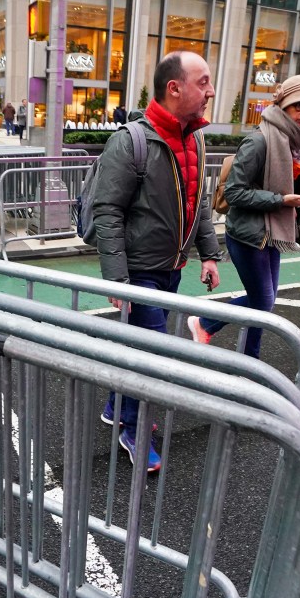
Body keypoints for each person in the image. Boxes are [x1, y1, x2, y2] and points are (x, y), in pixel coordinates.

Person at [90, 50, 222, 472]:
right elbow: (107, 210)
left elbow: (198, 202)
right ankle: (133, 428)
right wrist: (118, 279)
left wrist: (210, 254)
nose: (211, 91)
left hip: (173, 269)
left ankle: (115, 405)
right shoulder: (130, 141)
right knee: (154, 357)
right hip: (139, 272)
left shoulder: (196, 139)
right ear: (174, 88)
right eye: (203, 82)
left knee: (140, 347)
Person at [186, 75, 300, 359]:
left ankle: (250, 360)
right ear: (283, 105)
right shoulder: (259, 142)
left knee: (264, 303)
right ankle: (204, 323)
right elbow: (234, 193)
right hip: (248, 235)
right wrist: (280, 200)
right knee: (262, 301)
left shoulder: (297, 142)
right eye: (299, 105)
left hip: (272, 232)